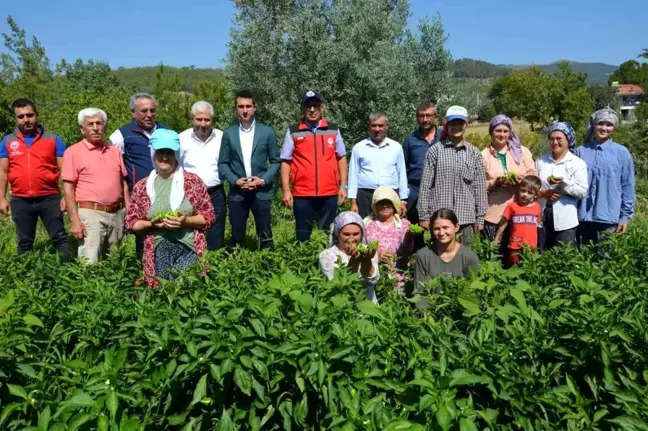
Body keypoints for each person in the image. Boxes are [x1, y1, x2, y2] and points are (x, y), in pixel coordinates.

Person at [124, 129, 215, 287]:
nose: (165, 157)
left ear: (176, 155)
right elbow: (131, 223)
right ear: (153, 153)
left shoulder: (192, 182)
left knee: (185, 289)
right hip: (158, 249)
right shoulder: (143, 187)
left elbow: (208, 217)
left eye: (169, 152)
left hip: (189, 247)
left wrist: (185, 221)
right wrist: (152, 224)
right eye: (160, 152)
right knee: (163, 293)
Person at [0, 98, 70, 261]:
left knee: (59, 238)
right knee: (24, 242)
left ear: (36, 115)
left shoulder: (53, 139)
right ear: (15, 118)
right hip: (20, 199)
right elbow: (3, 172)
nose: (26, 120)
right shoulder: (7, 141)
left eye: (29, 115)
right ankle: (25, 276)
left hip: (50, 198)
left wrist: (67, 197)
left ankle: (69, 274)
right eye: (21, 116)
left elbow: (65, 171)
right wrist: (2, 198)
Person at [62, 108, 130, 263]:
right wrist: (74, 220)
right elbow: (68, 188)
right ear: (82, 129)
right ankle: (87, 287)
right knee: (90, 262)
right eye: (90, 124)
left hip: (117, 213)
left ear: (104, 126)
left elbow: (123, 182)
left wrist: (129, 210)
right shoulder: (73, 152)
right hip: (91, 213)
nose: (95, 127)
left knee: (116, 261)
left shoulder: (114, 151)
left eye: (99, 123)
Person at [280, 91, 348, 242]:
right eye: (308, 106)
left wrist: (343, 186)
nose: (312, 110)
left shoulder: (333, 129)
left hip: (329, 192)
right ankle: (304, 264)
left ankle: (329, 264)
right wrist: (286, 190)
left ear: (321, 107)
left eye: (315, 106)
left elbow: (341, 157)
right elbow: (286, 161)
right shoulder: (293, 131)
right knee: (303, 236)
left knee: (329, 235)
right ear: (303, 108)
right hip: (302, 194)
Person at [218, 90, 280, 250]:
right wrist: (235, 181)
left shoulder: (267, 132)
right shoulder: (229, 134)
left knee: (265, 233)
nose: (245, 110)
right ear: (236, 109)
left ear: (254, 108)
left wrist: (263, 180)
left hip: (261, 191)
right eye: (241, 106)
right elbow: (223, 163)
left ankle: (269, 266)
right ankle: (236, 267)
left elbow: (275, 162)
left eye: (248, 106)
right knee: (236, 234)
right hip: (238, 192)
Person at [417, 106, 487, 245]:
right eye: (453, 123)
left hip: (466, 217)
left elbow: (479, 187)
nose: (456, 127)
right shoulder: (435, 151)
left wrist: (480, 218)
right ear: (446, 125)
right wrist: (424, 216)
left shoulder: (474, 153)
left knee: (465, 257)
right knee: (439, 257)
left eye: (460, 123)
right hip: (440, 218)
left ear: (465, 125)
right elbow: (425, 185)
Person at [110, 93, 168, 258]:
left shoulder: (166, 131)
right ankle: (144, 274)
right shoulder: (121, 135)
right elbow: (115, 168)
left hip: (166, 191)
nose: (149, 115)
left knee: (166, 232)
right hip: (140, 196)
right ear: (133, 113)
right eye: (143, 111)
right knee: (143, 237)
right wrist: (126, 200)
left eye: (152, 110)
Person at [576, 108, 636, 245]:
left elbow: (627, 186)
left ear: (614, 128)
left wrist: (625, 217)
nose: (604, 128)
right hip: (583, 217)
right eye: (600, 123)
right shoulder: (581, 151)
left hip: (609, 217)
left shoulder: (622, 153)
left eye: (609, 125)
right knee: (583, 260)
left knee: (607, 259)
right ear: (594, 125)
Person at [481, 115, 536, 247]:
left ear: (510, 132)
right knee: (495, 250)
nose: (502, 134)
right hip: (494, 214)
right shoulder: (483, 155)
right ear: (491, 132)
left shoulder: (522, 152)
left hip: (520, 211)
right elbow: (477, 185)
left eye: (506, 131)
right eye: (498, 131)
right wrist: (495, 183)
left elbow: (533, 175)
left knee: (518, 249)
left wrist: (523, 181)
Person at [179, 101, 225, 250]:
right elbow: (176, 166)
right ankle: (191, 267)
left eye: (207, 119)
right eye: (199, 119)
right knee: (190, 231)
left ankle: (213, 265)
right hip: (189, 194)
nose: (203, 124)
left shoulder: (222, 137)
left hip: (216, 192)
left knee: (216, 232)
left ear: (212, 120)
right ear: (192, 119)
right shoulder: (182, 138)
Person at [536, 123, 588, 250]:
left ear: (568, 140)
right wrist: (543, 192)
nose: (555, 142)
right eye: (552, 139)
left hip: (566, 219)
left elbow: (582, 192)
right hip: (542, 217)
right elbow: (533, 186)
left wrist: (563, 184)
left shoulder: (577, 163)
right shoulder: (541, 161)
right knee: (542, 254)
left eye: (559, 139)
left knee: (564, 256)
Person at [348, 112, 408, 218]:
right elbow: (353, 175)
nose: (377, 129)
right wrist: (353, 201)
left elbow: (402, 174)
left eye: (380, 126)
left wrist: (403, 200)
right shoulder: (359, 147)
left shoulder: (396, 147)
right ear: (369, 127)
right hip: (365, 195)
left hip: (390, 195)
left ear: (386, 126)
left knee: (389, 228)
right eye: (374, 126)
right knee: (365, 227)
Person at [414, 208, 479, 296]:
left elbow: (472, 293)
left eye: (445, 227)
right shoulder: (423, 255)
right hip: (431, 306)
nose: (441, 233)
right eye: (436, 229)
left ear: (456, 227)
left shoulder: (470, 257)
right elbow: (419, 292)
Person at [319, 211, 380, 303]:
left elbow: (372, 281)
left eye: (356, 234)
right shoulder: (327, 255)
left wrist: (366, 261)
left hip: (368, 305)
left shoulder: (369, 252)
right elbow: (339, 285)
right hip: (343, 306)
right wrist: (354, 260)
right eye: (346, 234)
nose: (351, 238)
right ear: (337, 234)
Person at [403, 103, 441, 250]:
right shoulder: (410, 139)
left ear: (435, 117)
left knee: (438, 223)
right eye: (421, 116)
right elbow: (403, 166)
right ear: (417, 118)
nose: (425, 119)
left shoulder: (443, 137)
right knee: (415, 227)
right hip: (414, 188)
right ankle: (416, 258)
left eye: (428, 116)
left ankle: (438, 256)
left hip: (438, 187)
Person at [363, 186, 414, 288]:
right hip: (374, 273)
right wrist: (377, 255)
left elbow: (408, 251)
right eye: (381, 203)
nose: (385, 206)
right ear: (376, 206)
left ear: (394, 204)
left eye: (388, 202)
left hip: (399, 273)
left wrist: (408, 237)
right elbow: (361, 247)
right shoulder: (367, 224)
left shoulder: (404, 225)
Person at [494, 176, 542, 267]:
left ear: (536, 195)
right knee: (514, 268)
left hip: (531, 247)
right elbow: (503, 224)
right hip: (515, 245)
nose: (525, 194)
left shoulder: (537, 207)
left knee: (529, 268)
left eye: (530, 193)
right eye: (523, 190)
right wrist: (496, 239)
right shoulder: (512, 206)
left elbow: (537, 226)